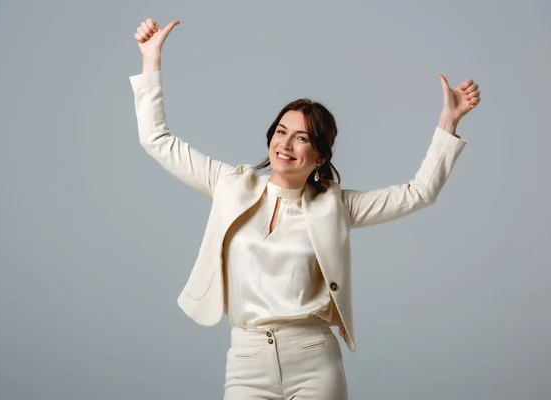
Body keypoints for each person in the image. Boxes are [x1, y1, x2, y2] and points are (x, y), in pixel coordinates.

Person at [129, 17, 480, 400]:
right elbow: (157, 139)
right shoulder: (229, 184)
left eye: (302, 138)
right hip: (246, 361)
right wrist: (151, 59)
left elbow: (419, 192)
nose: (287, 144)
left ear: (319, 157)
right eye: (281, 132)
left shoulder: (336, 206)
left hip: (314, 362)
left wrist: (449, 121)